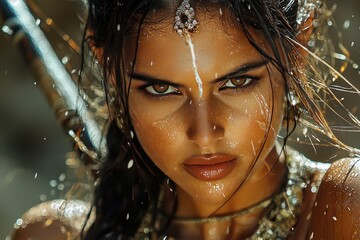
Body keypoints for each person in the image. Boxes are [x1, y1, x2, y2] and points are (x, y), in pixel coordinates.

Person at [11, 0, 360, 239]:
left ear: (296, 50)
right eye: (162, 89)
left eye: (236, 82)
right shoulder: (55, 234)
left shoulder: (344, 210)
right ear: (109, 69)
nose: (205, 134)